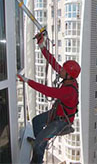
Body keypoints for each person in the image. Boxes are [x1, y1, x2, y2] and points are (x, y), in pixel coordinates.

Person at [17, 32, 81, 164]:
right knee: (36, 122)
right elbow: (53, 62)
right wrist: (42, 47)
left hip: (61, 121)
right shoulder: (69, 78)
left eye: (63, 70)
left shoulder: (69, 90)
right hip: (57, 113)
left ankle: (37, 159)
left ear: (69, 74)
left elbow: (46, 91)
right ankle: (39, 142)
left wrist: (27, 80)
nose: (60, 71)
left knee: (39, 143)